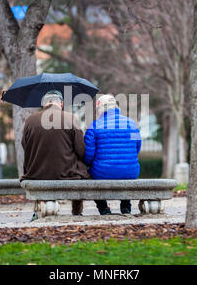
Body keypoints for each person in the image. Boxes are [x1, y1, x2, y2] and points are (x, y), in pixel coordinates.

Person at [21, 90, 89, 220]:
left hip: (36, 174)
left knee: (36, 163)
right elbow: (81, 150)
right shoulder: (71, 118)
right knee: (81, 169)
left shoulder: (30, 120)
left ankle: (37, 210)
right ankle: (76, 211)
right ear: (61, 104)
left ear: (44, 104)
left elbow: (25, 145)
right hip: (66, 173)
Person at [84, 94, 142, 215]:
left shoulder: (94, 126)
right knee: (125, 171)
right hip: (130, 171)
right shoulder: (132, 124)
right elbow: (137, 147)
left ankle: (103, 208)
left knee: (91, 176)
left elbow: (88, 156)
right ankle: (126, 206)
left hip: (102, 172)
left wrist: (89, 165)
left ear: (100, 109)